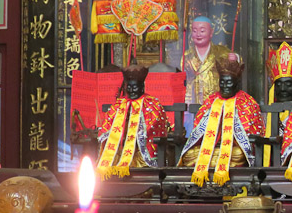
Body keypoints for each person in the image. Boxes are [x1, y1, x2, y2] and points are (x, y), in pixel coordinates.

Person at [179, 56, 264, 186]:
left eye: (229, 82)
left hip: (233, 149)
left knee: (239, 154)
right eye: (222, 82)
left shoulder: (247, 102)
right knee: (189, 155)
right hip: (211, 148)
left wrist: (230, 139)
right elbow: (198, 127)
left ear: (237, 83)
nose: (225, 86)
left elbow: (251, 132)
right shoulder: (211, 101)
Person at [96, 62, 170, 178]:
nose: (132, 91)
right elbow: (107, 124)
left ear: (142, 87)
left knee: (141, 163)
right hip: (121, 145)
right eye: (129, 88)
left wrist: (138, 132)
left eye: (135, 87)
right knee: (112, 156)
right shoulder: (119, 104)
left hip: (142, 147)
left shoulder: (152, 103)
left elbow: (155, 124)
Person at [182, 16, 231, 106]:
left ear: (211, 32)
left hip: (216, 103)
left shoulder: (222, 52)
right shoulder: (186, 56)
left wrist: (234, 59)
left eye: (202, 31)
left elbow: (234, 69)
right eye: (194, 31)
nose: (198, 34)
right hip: (193, 102)